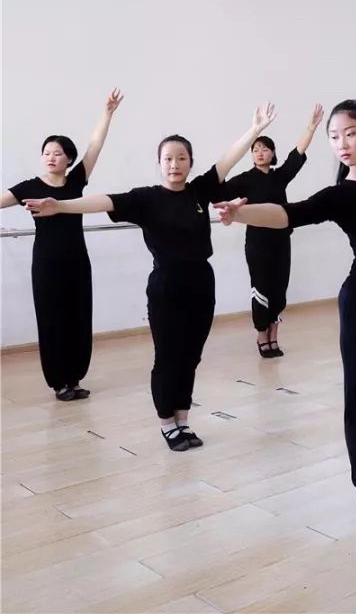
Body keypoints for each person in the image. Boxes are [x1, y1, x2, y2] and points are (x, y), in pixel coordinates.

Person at [214, 21, 356, 531]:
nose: (340, 143)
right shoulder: (340, 195)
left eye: (350, 132)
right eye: (334, 137)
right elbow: (287, 214)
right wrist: (241, 212)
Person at [26, 102, 278, 451]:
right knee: (168, 356)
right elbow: (103, 201)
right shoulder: (145, 199)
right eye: (168, 159)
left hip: (201, 282)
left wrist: (254, 130)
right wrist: (61, 205)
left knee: (191, 355)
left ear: (190, 162)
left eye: (181, 158)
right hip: (166, 287)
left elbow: (227, 161)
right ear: (159, 163)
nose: (175, 164)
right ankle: (166, 422)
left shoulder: (200, 191)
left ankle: (183, 419)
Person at [3, 89, 123, 400]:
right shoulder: (29, 186)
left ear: (68, 158)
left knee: (79, 317)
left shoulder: (76, 181)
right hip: (46, 263)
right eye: (46, 152)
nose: (50, 157)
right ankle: (59, 383)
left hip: (77, 261)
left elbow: (95, 146)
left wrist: (107, 113)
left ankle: (75, 378)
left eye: (57, 153)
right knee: (52, 319)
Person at [224, 104, 323, 357]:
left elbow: (297, 154)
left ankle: (274, 334)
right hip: (257, 243)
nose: (259, 153)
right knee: (261, 287)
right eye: (255, 149)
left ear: (272, 153)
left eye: (264, 149)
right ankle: (261, 334)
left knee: (279, 287)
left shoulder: (280, 177)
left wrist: (311, 128)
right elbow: (219, 189)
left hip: (281, 240)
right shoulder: (245, 179)